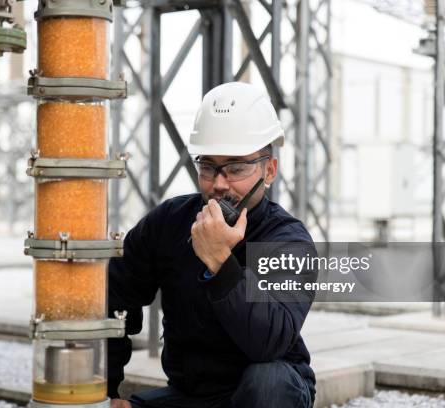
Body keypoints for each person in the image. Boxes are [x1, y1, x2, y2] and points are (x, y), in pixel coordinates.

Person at [108, 82, 316, 408]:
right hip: (188, 397)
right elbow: (113, 296)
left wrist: (220, 261)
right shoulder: (169, 222)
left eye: (235, 168)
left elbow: (268, 344)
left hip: (262, 395)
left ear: (269, 170)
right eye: (208, 167)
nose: (219, 184)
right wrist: (106, 390)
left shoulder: (287, 241)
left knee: (269, 384)